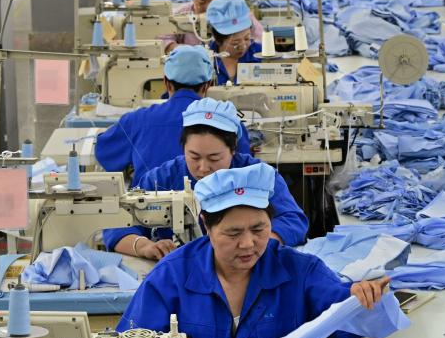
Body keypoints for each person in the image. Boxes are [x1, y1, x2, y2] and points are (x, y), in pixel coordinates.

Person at [118, 163, 399, 338]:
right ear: (206, 225)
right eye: (233, 233)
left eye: (259, 229)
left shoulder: (299, 271)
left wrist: (367, 297)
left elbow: (351, 319)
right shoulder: (171, 276)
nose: (248, 244)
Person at [103, 99, 308, 259]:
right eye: (194, 157)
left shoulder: (258, 176)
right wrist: (144, 246)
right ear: (183, 148)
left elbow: (293, 220)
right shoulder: (161, 178)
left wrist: (256, 244)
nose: (203, 168)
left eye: (214, 158)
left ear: (233, 149)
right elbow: (117, 226)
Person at [95, 46, 252, 185]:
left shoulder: (136, 120)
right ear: (208, 85)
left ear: (166, 83)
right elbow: (243, 168)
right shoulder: (229, 124)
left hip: (150, 205)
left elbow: (105, 155)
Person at [207, 0, 261, 85]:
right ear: (218, 41)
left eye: (247, 38)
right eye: (235, 43)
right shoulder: (205, 60)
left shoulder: (260, 54)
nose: (243, 46)